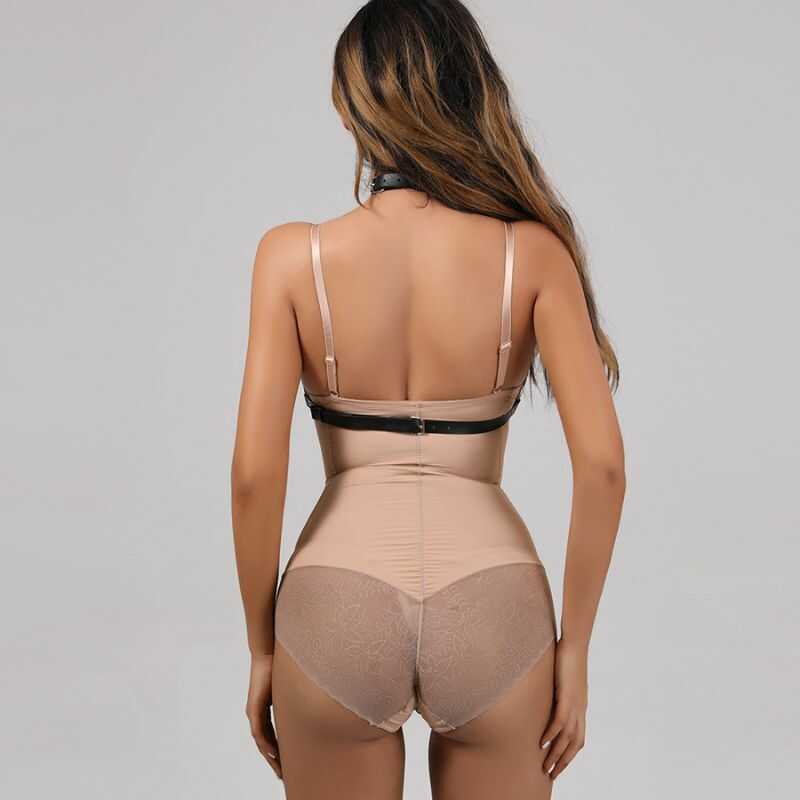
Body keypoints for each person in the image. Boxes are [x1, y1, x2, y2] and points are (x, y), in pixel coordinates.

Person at [230, 1, 625, 797]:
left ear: (352, 106)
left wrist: (263, 649)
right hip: (496, 604)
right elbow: (604, 468)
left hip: (333, 601)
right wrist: (575, 649)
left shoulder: (292, 258)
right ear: (470, 94)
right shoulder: (533, 253)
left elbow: (252, 477)